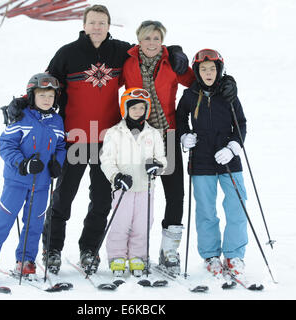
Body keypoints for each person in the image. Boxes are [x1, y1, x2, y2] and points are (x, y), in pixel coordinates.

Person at [6, 4, 191, 274]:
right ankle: (52, 248)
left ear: (108, 25)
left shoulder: (119, 51)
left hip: (107, 140)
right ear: (84, 24)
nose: (97, 27)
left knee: (102, 200)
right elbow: (46, 85)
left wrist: (173, 50)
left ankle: (89, 250)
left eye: (102, 22)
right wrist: (23, 102)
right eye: (92, 22)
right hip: (76, 137)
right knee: (63, 198)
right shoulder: (67, 53)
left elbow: (148, 48)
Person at [122, 21, 239, 275]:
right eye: (147, 38)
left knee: (175, 194)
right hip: (138, 137)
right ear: (138, 40)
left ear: (162, 40)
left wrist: (228, 81)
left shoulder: (172, 62)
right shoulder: (128, 62)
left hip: (168, 134)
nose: (152, 42)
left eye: (157, 38)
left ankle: (169, 252)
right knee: (138, 194)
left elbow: (201, 81)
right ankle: (135, 253)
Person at [0, 73, 66, 282]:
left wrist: (56, 163)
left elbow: (61, 146)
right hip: (17, 181)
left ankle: (26, 261)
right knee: (4, 220)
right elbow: (6, 145)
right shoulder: (21, 117)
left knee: (34, 223)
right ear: (32, 96)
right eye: (42, 95)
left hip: (43, 183)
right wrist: (22, 163)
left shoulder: (57, 121)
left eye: (50, 96)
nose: (46, 99)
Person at [176, 49, 248, 280]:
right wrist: (184, 136)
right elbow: (179, 120)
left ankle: (234, 254)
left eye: (212, 69)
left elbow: (241, 124)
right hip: (202, 160)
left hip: (228, 158)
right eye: (204, 69)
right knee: (206, 210)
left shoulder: (228, 94)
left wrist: (233, 148)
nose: (208, 73)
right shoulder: (189, 95)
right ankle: (210, 256)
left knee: (237, 206)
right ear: (197, 72)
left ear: (219, 71)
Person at [100, 88, 167, 277]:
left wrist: (157, 166)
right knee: (121, 224)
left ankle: (139, 256)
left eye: (142, 108)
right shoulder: (114, 133)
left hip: (146, 188)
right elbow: (107, 160)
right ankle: (117, 257)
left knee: (143, 224)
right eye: (134, 108)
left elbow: (161, 158)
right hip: (123, 189)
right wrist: (117, 176)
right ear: (124, 108)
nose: (138, 111)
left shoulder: (153, 134)